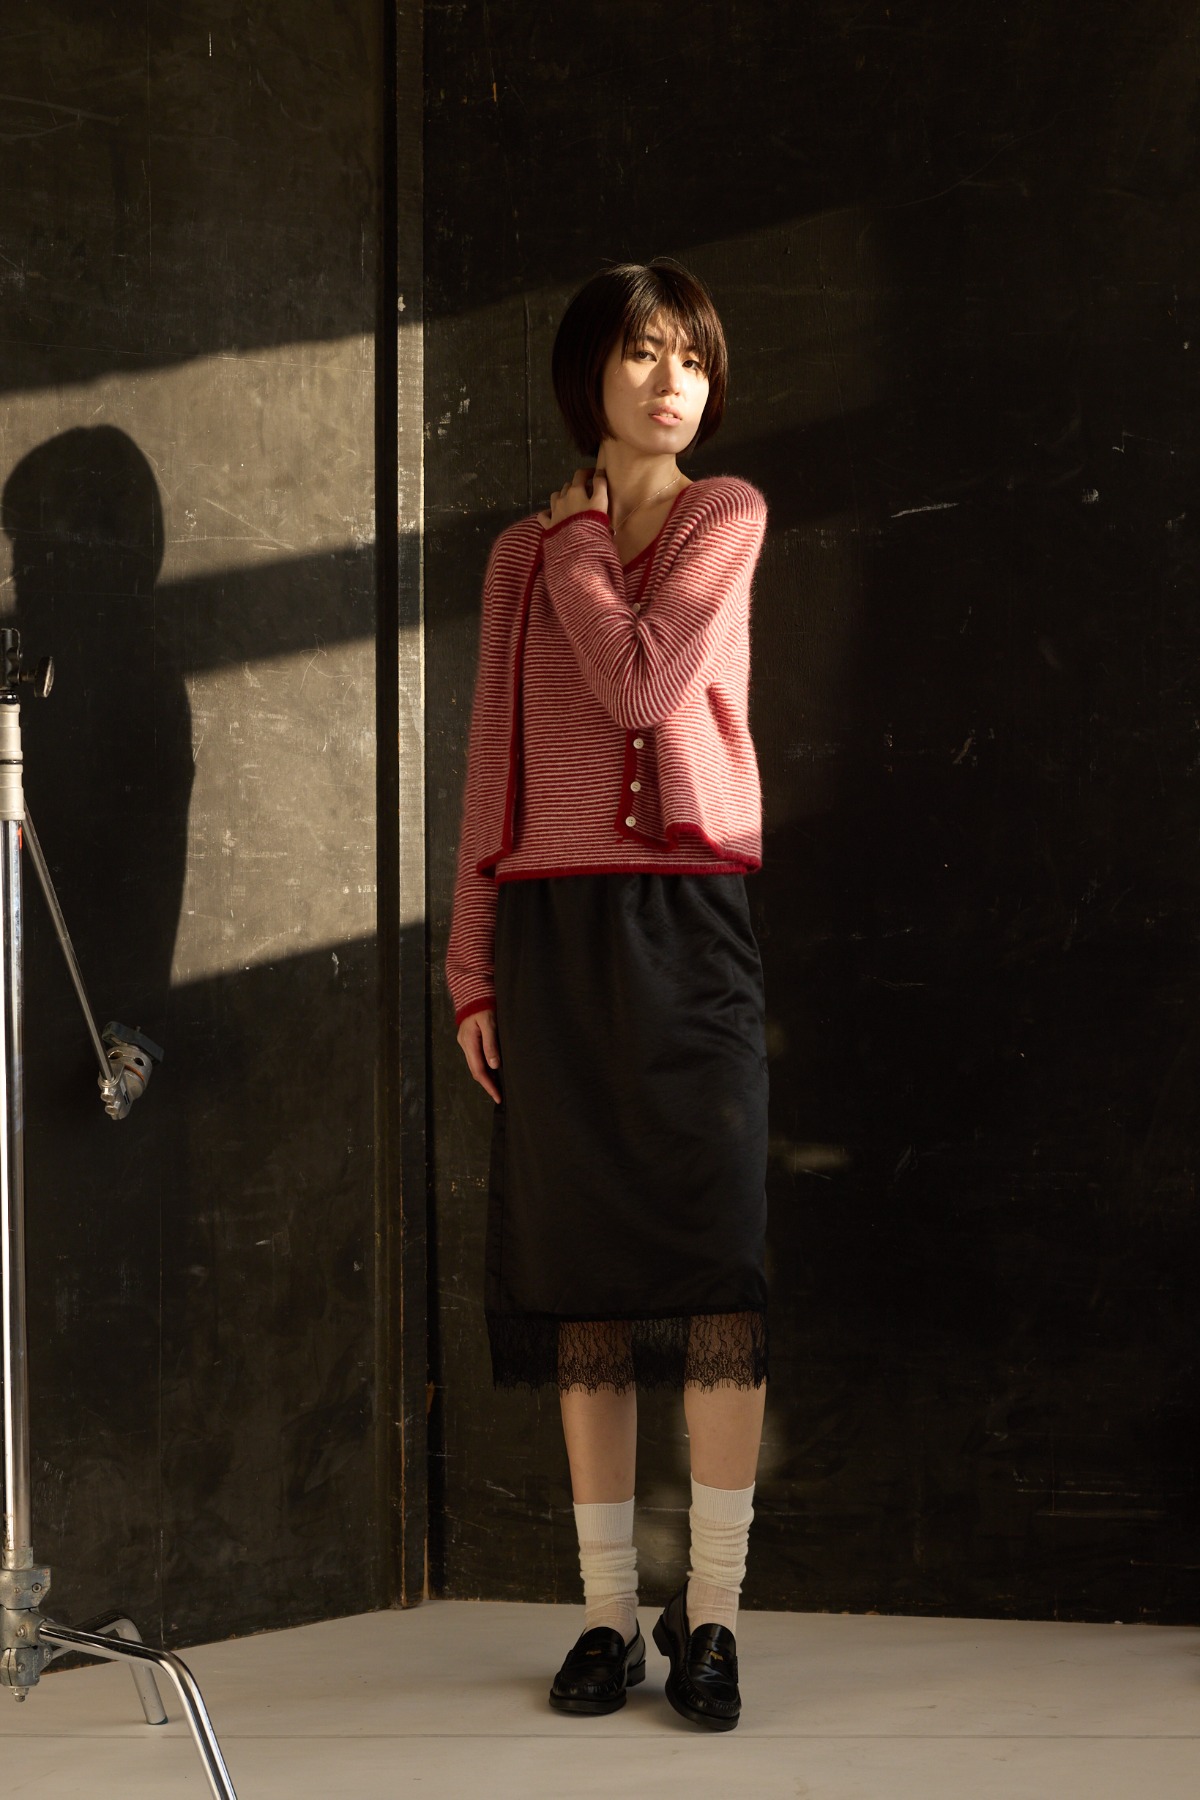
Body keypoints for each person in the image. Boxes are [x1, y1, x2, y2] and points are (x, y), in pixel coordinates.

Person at [446, 256, 770, 1732]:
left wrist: (582, 539)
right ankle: (604, 1616)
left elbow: (642, 687)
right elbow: (491, 765)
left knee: (714, 1279)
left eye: (690, 358)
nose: (670, 384)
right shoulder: (518, 556)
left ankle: (714, 1615)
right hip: (550, 928)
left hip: (688, 921)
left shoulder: (722, 515)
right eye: (642, 355)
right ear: (590, 372)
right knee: (579, 1287)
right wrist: (471, 967)